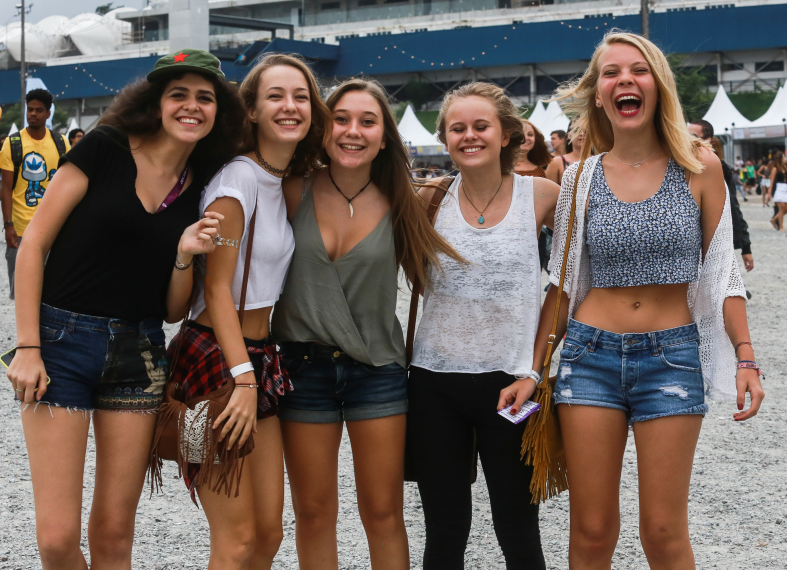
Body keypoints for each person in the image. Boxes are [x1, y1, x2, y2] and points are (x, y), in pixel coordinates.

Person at [3, 50, 239, 569]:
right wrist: (27, 346)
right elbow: (33, 244)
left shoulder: (202, 186)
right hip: (61, 343)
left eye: (205, 97)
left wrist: (182, 256)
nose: (191, 106)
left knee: (114, 535)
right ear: (156, 101)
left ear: (219, 109)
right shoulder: (106, 149)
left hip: (141, 351)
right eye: (178, 94)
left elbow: (175, 309)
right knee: (58, 539)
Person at [541, 31, 764, 568]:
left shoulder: (700, 167)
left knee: (663, 533)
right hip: (588, 357)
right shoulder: (579, 178)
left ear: (658, 85)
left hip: (672, 356)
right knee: (591, 532)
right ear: (598, 94)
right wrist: (533, 365)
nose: (625, 80)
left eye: (638, 70)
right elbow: (562, 283)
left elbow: (722, 272)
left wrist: (746, 356)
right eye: (612, 73)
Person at [271, 77, 460, 570]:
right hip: (301, 369)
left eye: (368, 121)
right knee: (313, 514)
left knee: (383, 513)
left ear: (384, 136)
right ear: (323, 127)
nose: (353, 131)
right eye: (342, 119)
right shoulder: (290, 192)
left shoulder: (409, 202)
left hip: (377, 370)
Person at [158, 53, 328, 570]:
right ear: (250, 110)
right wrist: (244, 379)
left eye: (300, 96)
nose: (290, 106)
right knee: (233, 542)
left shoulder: (279, 179)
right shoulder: (237, 183)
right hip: (210, 369)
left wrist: (252, 376)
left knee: (268, 535)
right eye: (275, 96)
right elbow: (217, 291)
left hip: (256, 361)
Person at [408, 82, 560, 569]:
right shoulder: (427, 197)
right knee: (444, 529)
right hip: (433, 382)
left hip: (511, 385)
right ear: (445, 137)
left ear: (507, 135)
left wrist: (533, 370)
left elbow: (568, 283)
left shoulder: (541, 195)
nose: (469, 136)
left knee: (518, 525)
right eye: (457, 128)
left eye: (480, 126)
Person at [0, 89, 70, 299]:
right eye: (30, 110)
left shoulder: (62, 143)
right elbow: (6, 188)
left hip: (54, 228)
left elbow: (69, 185)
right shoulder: (13, 143)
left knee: (53, 291)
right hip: (21, 230)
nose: (32, 114)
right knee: (22, 293)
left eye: (38, 110)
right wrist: (8, 225)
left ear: (48, 113)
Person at [688, 120, 754, 274]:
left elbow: (732, 207)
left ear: (707, 141)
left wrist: (746, 247)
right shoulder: (676, 165)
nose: (687, 139)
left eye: (693, 136)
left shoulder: (718, 168)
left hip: (711, 242)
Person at [516, 120, 553, 276]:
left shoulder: (542, 169)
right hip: (510, 232)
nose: (526, 137)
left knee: (533, 277)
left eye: (530, 134)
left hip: (537, 234)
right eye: (521, 134)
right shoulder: (499, 168)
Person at [546, 120, 583, 185]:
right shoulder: (556, 162)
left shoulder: (601, 160)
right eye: (576, 130)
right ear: (569, 135)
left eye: (587, 130)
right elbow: (547, 191)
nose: (582, 133)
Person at [768, 151, 787, 232]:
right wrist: (770, 193)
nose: (785, 159)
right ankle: (781, 227)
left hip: (785, 188)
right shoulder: (775, 169)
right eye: (783, 157)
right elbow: (772, 181)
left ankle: (774, 219)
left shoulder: (785, 168)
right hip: (778, 189)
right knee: (781, 209)